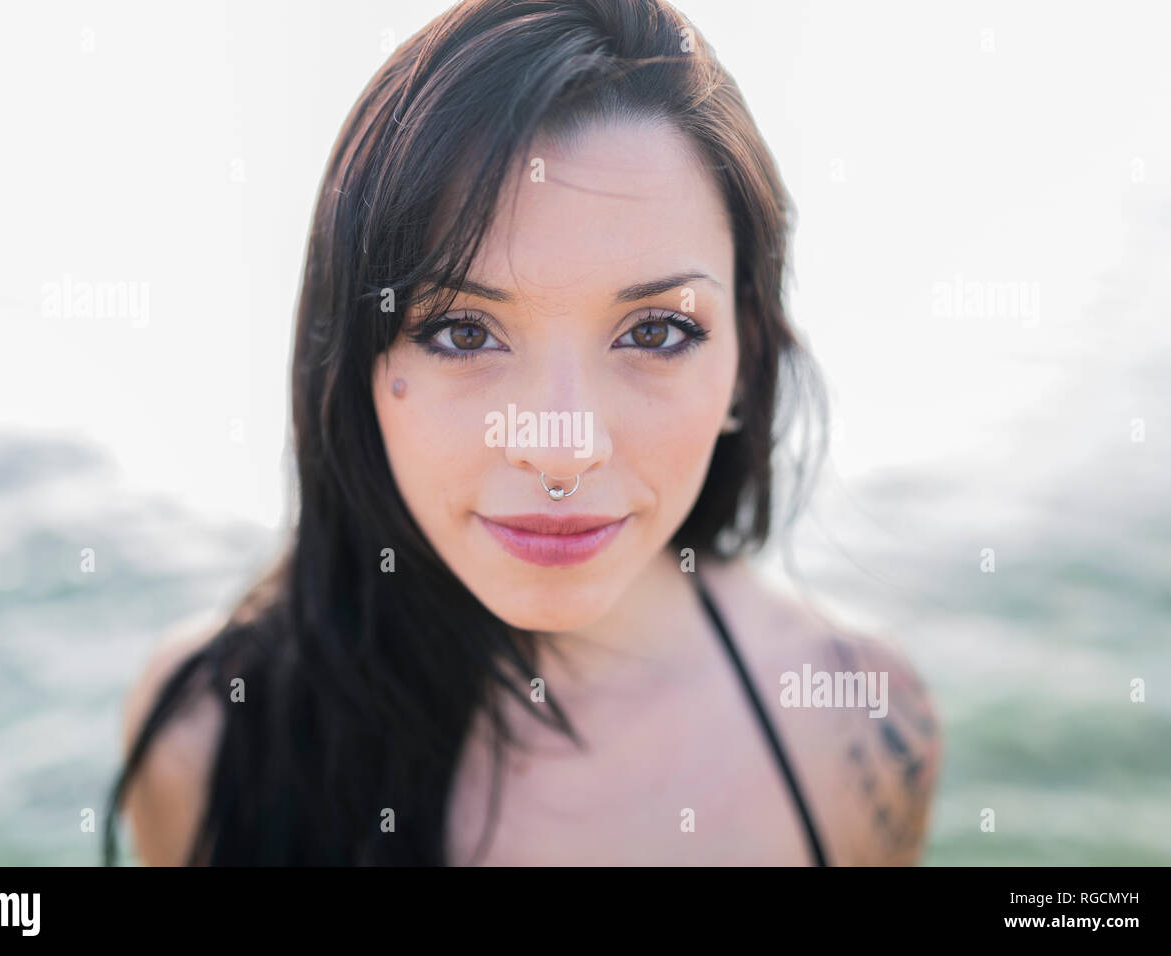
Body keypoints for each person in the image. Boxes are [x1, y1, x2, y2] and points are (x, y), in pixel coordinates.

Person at [105, 0, 941, 866]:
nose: (560, 447)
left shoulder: (856, 725)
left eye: (655, 332)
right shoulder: (210, 733)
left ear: (745, 358)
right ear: (356, 359)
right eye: (464, 332)